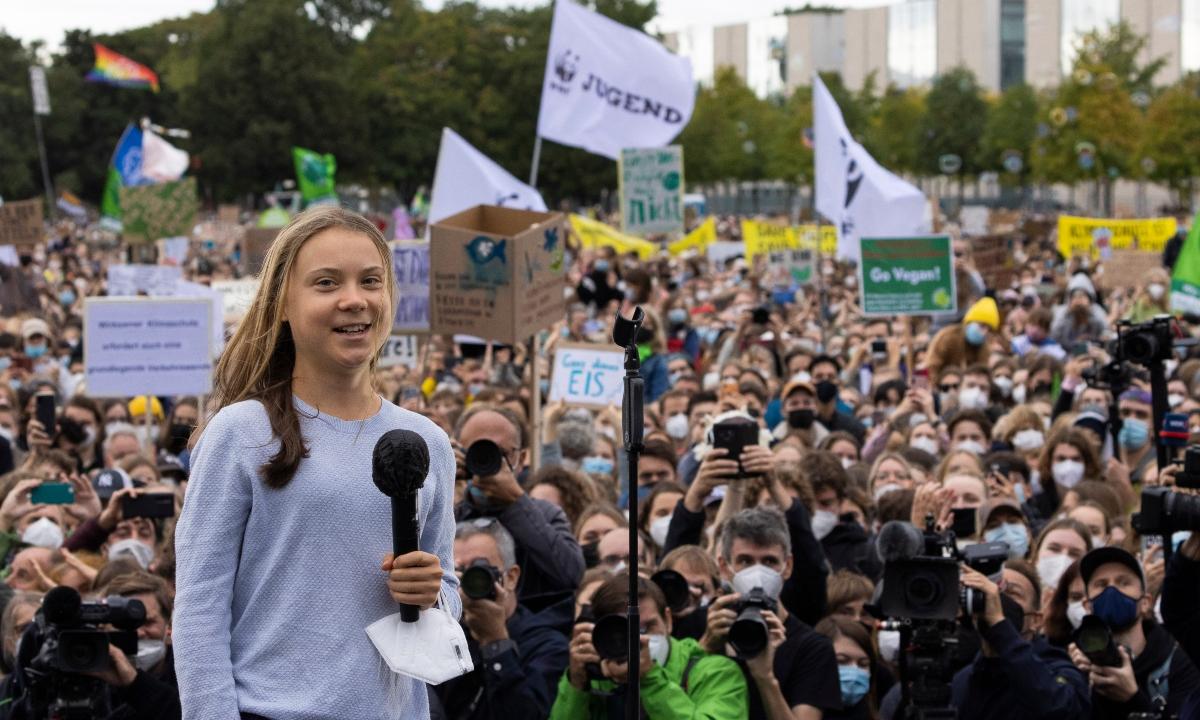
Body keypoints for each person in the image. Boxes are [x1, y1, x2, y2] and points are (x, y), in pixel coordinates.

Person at [173, 207, 461, 719]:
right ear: (283, 302)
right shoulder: (241, 432)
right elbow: (199, 611)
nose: (355, 299)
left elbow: (450, 597)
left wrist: (431, 594)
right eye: (327, 283)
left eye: (371, 281)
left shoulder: (428, 442)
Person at [701, 507, 841, 720]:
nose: (758, 573)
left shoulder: (813, 648)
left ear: (788, 566)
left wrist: (765, 677)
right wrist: (706, 646)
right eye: (745, 561)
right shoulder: (703, 625)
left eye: (769, 561)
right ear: (724, 566)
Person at [551, 572, 748, 719]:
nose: (639, 640)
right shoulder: (595, 679)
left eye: (647, 628)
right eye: (626, 632)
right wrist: (576, 685)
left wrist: (650, 680)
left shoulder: (717, 673)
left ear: (668, 621)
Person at [431, 519, 570, 720]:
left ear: (511, 577)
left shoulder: (548, 644)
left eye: (480, 570)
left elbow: (528, 715)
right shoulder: (440, 638)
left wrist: (495, 642)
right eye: (458, 572)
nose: (469, 581)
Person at [454, 404, 585, 607]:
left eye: (499, 452)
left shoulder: (545, 514)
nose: (488, 460)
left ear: (522, 458)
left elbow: (570, 574)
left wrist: (516, 501)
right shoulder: (448, 516)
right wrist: (440, 483)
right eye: (476, 451)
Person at [1068, 546, 1200, 719]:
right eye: (1101, 585)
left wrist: (1132, 698)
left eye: (1124, 582)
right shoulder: (1072, 662)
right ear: (1087, 605)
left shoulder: (1177, 661)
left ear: (1145, 602)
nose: (1111, 590)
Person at [948, 566, 1090, 719]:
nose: (994, 598)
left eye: (1012, 593)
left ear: (1036, 621)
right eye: (989, 590)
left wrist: (1000, 626)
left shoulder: (1057, 670)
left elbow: (1062, 709)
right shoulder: (962, 680)